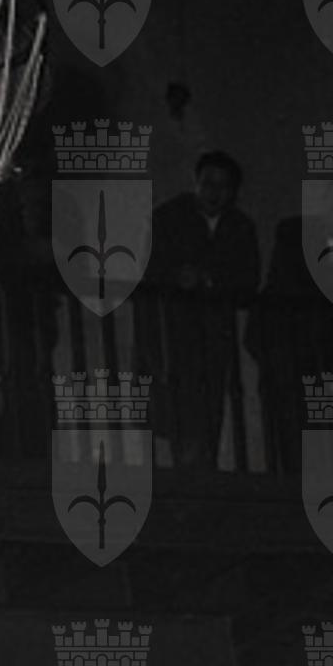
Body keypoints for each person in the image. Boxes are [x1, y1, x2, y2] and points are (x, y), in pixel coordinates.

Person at [145, 150, 260, 467]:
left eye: (222, 186)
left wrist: (209, 279)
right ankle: (188, 469)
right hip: (172, 330)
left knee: (209, 405)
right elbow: (147, 268)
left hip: (214, 334)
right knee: (177, 404)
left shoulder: (239, 226)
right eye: (208, 183)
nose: (213, 193)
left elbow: (248, 281)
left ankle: (200, 468)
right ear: (196, 183)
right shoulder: (168, 218)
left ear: (233, 191)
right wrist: (177, 278)